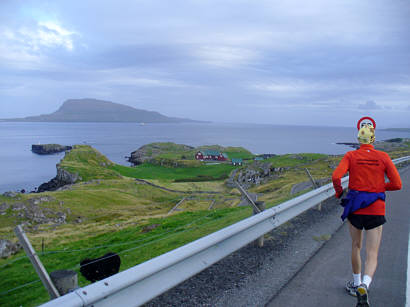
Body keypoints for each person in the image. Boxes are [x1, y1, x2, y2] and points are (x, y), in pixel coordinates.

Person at [332, 119, 402, 307]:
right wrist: (379, 187)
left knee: (356, 246)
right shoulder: (383, 157)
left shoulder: (350, 155)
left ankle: (355, 284)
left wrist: (340, 193)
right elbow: (397, 184)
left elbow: (336, 176)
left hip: (355, 207)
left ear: (358, 138)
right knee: (372, 253)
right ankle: (365, 284)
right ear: (373, 138)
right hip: (376, 209)